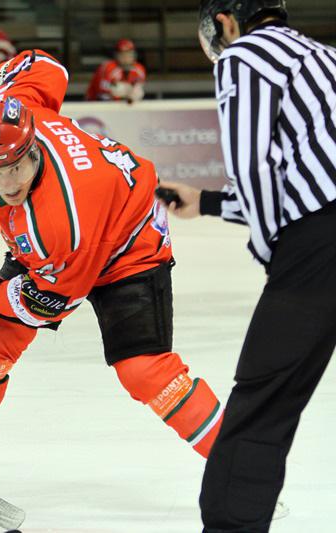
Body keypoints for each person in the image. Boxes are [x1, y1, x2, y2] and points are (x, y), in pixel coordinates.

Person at [0, 50, 224, 510]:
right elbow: (48, 67)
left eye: (17, 166)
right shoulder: (16, 110)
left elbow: (49, 301)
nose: (9, 182)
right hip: (66, 244)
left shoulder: (58, 220)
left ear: (32, 149)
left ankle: (240, 466)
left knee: (144, 371)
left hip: (127, 242)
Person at [159, 1, 336, 531]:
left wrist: (269, 249)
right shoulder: (325, 56)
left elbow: (256, 164)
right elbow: (303, 177)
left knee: (264, 396)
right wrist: (209, 203)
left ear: (227, 22)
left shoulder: (246, 56)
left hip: (318, 250)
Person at [86, 39, 147, 103]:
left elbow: (139, 86)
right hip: (95, 101)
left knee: (138, 92)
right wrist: (125, 89)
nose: (125, 57)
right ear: (116, 55)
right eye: (122, 54)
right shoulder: (107, 66)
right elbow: (102, 89)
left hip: (121, 103)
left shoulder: (139, 68)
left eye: (129, 54)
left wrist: (133, 90)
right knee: (117, 89)